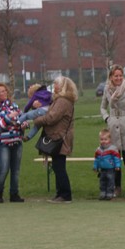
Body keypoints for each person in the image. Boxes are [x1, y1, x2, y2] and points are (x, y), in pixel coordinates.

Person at [33, 75, 77, 203]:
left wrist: (37, 120)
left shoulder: (62, 101)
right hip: (58, 136)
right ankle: (60, 193)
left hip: (60, 137)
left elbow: (52, 117)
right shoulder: (60, 100)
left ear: (62, 86)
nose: (54, 86)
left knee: (59, 167)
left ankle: (65, 194)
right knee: (57, 166)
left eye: (56, 84)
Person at [100, 65, 125, 197]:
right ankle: (117, 187)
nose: (118, 78)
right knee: (115, 160)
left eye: (120, 75)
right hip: (113, 126)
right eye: (116, 76)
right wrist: (107, 118)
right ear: (111, 77)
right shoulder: (107, 89)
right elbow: (102, 107)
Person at [0, 82, 25, 203]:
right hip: (3, 144)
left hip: (17, 141)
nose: (5, 93)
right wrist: (9, 118)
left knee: (16, 170)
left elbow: (21, 119)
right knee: (3, 169)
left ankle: (14, 194)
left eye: (5, 90)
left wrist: (23, 124)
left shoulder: (14, 106)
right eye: (1, 91)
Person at [93, 128, 122, 200]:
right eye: (101, 139)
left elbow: (117, 158)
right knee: (102, 181)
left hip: (110, 169)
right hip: (102, 169)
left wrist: (117, 166)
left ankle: (109, 193)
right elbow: (96, 159)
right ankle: (103, 192)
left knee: (110, 181)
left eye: (105, 139)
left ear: (109, 140)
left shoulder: (113, 149)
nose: (103, 141)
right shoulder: (98, 150)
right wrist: (95, 166)